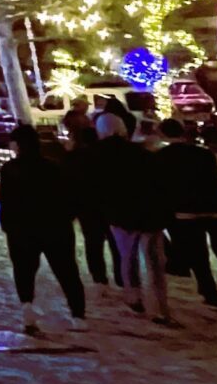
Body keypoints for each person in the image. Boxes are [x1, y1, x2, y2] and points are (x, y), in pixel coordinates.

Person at [75, 110, 175, 324]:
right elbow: (160, 183)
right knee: (154, 262)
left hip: (120, 214)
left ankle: (134, 296)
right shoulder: (142, 153)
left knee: (127, 257)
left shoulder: (94, 155)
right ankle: (160, 307)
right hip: (150, 214)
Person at [0, 123, 86, 333]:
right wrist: (67, 218)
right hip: (55, 226)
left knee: (24, 270)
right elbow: (68, 195)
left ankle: (27, 310)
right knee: (67, 270)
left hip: (22, 228)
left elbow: (6, 199)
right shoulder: (53, 167)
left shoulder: (10, 169)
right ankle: (78, 314)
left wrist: (7, 224)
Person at [156, 119, 217, 311]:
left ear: (162, 134)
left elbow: (159, 188)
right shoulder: (206, 154)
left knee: (197, 254)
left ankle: (209, 292)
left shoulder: (160, 158)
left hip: (184, 213)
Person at [66, 116, 112, 286]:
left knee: (93, 242)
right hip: (107, 203)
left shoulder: (73, 158)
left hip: (85, 205)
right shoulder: (105, 156)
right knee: (113, 240)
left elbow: (69, 183)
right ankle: (121, 276)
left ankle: (99, 276)